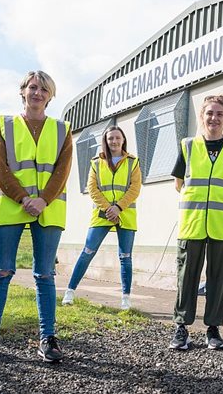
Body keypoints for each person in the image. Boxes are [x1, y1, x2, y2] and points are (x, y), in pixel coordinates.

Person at [0, 70, 72, 364]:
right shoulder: (5, 125)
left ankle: (48, 338)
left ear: (50, 96)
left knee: (45, 274)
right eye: (33, 87)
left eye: (44, 89)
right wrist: (24, 198)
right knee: (1, 272)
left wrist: (43, 199)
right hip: (12, 206)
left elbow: (62, 171)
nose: (37, 93)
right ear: (23, 91)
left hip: (48, 208)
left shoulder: (63, 129)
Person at [168, 94, 223, 351]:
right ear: (202, 116)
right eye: (209, 113)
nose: (214, 118)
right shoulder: (188, 146)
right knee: (187, 277)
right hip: (192, 224)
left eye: (219, 114)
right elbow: (178, 184)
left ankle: (213, 330)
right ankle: (181, 329)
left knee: (218, 279)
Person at [62, 126, 142, 310]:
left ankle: (125, 298)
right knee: (87, 252)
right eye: (110, 139)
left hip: (126, 214)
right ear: (105, 141)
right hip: (102, 214)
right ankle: (70, 291)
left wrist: (119, 207)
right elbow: (92, 188)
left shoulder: (133, 162)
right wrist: (109, 209)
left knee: (125, 257)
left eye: (117, 138)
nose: (113, 141)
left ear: (123, 140)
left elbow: (135, 188)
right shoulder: (96, 162)